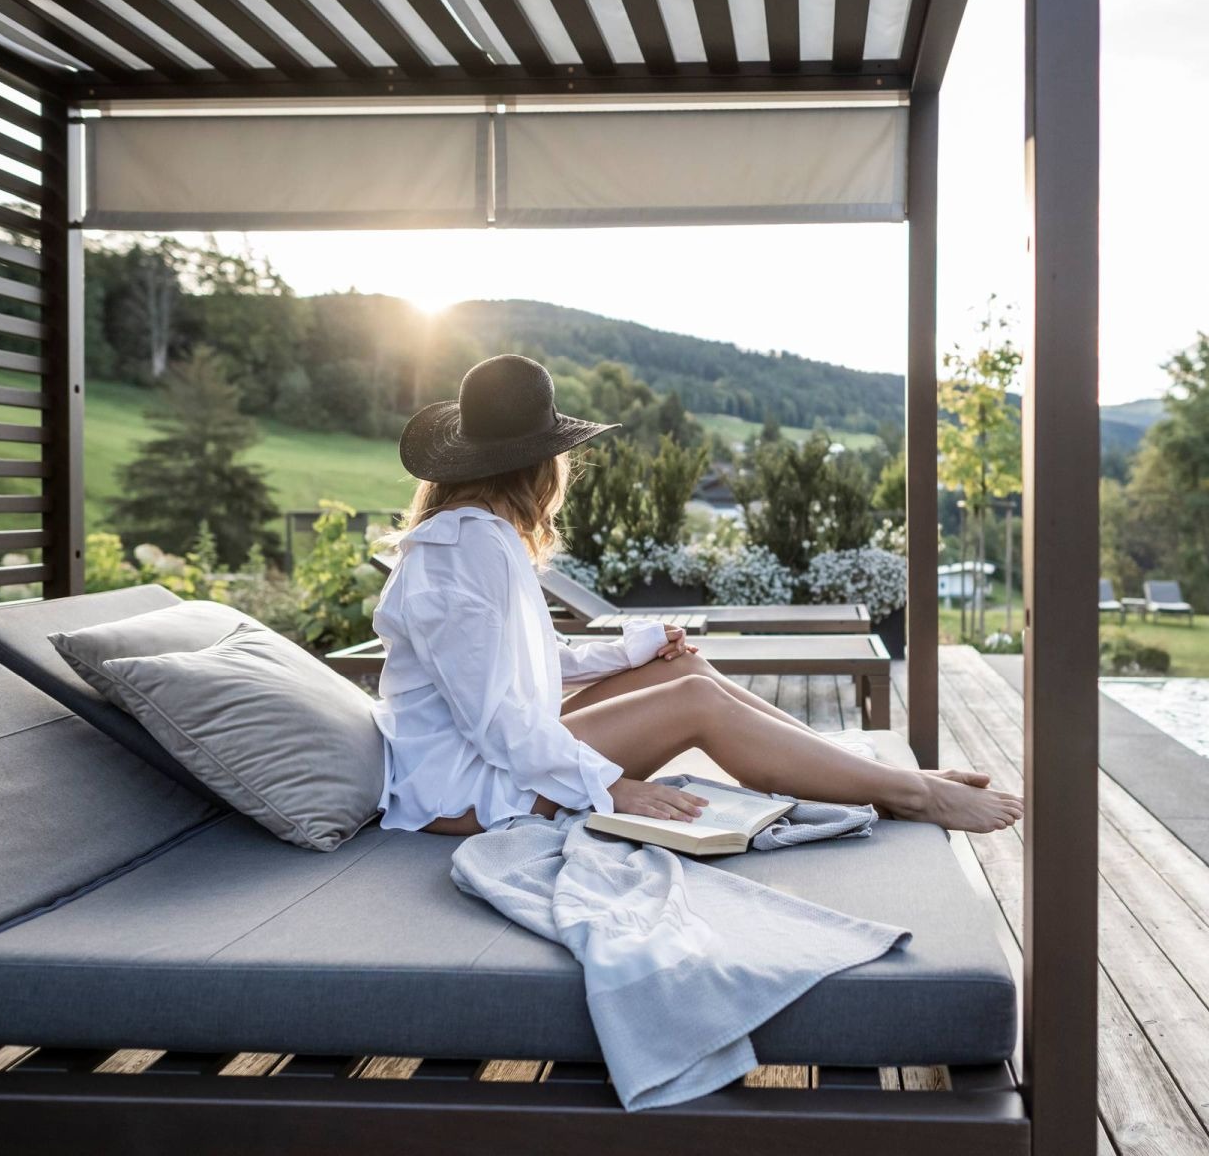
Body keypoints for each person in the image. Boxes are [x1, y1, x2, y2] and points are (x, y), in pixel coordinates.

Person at [371, 353, 1024, 837]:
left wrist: (634, 651)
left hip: (485, 760)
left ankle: (865, 776)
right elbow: (494, 719)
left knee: (677, 668)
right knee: (696, 702)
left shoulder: (480, 535)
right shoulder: (461, 548)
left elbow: (527, 665)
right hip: (460, 791)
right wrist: (612, 786)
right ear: (542, 464)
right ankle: (910, 795)